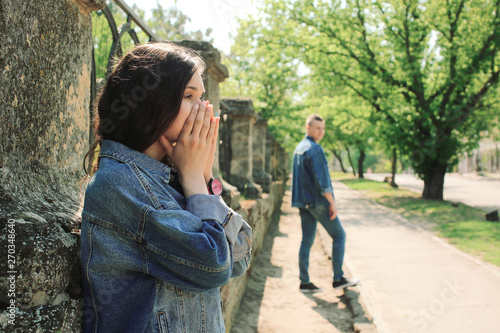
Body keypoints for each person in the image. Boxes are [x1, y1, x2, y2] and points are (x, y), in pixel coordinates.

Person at [80, 43, 252, 333]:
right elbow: (214, 267)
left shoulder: (172, 177)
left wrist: (206, 179)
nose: (202, 108)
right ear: (152, 102)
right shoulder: (121, 184)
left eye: (202, 96)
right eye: (189, 96)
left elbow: (240, 257)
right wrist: (196, 180)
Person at [291, 114, 359, 292]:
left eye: (323, 128)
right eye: (317, 128)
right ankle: (338, 278)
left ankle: (304, 282)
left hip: (303, 202)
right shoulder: (314, 149)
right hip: (317, 202)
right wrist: (332, 203)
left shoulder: (299, 148)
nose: (321, 132)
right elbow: (323, 181)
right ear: (308, 128)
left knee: (306, 240)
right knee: (339, 236)